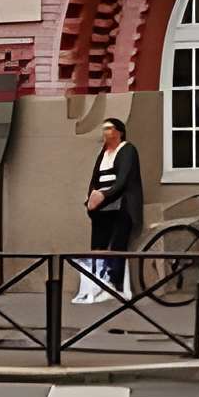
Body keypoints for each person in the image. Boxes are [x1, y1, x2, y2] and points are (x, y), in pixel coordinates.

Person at [75, 117, 141, 305]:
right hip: (102, 207)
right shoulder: (103, 153)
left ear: (119, 132)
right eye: (104, 129)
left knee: (118, 247)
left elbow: (122, 180)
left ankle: (116, 286)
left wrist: (104, 195)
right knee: (98, 246)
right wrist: (91, 199)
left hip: (121, 204)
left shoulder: (127, 150)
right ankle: (97, 285)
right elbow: (95, 179)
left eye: (110, 129)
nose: (106, 133)